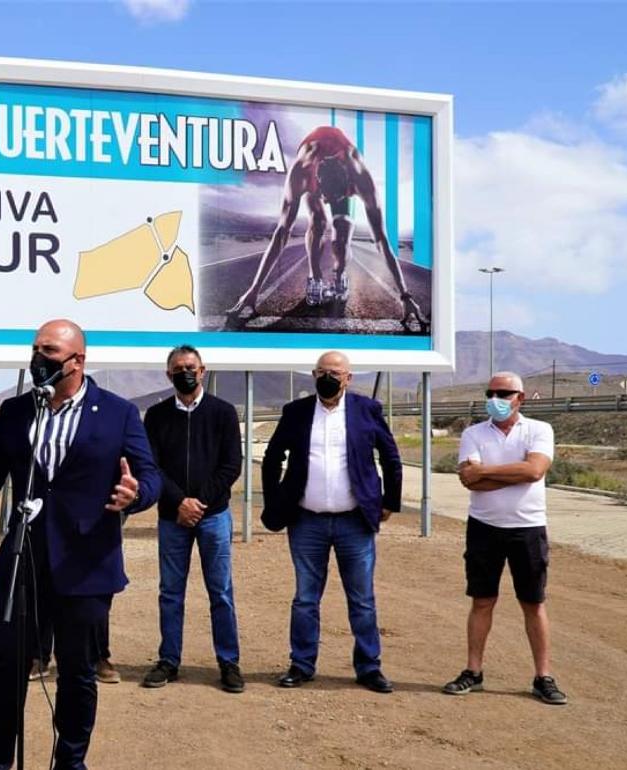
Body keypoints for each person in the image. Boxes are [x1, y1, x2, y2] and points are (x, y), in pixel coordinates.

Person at [0, 319, 161, 770]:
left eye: (47, 349)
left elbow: (150, 475)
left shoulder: (119, 412)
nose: (37, 357)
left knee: (78, 674)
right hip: (23, 558)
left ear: (76, 361)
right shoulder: (17, 411)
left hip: (87, 563)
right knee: (6, 669)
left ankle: (70, 762)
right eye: (34, 348)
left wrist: (136, 493)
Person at [261, 350, 401, 693]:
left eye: (336, 373)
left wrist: (389, 502)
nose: (329, 378)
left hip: (355, 521)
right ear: (313, 374)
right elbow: (272, 458)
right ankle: (301, 664)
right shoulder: (296, 412)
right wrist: (277, 500)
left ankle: (369, 667)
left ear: (348, 378)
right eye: (323, 372)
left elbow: (391, 456)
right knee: (306, 598)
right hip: (307, 522)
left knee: (362, 599)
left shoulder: (367, 410)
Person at [224, 125, 427, 331]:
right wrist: (253, 290)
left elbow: (381, 240)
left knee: (342, 230)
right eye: (326, 197)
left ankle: (339, 274)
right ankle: (316, 278)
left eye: (335, 199)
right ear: (318, 185)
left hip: (339, 173)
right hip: (314, 170)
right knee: (318, 221)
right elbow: (282, 232)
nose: (329, 203)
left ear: (350, 186)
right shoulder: (300, 174)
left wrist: (405, 295)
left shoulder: (362, 180)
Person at [444, 372, 567, 705]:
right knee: (482, 600)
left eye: (504, 392)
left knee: (533, 602)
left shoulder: (540, 430)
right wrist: (513, 473)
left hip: (528, 528)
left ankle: (543, 676)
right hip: (484, 527)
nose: (495, 398)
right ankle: (473, 671)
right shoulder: (473, 433)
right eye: (491, 392)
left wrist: (485, 471)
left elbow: (535, 471)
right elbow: (470, 482)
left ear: (520, 398)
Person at [141, 345, 245, 693]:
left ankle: (228, 662)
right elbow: (151, 466)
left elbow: (231, 465)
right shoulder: (155, 417)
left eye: (191, 366)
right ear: (168, 375)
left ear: (203, 371)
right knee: (171, 593)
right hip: (172, 519)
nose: (185, 372)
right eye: (178, 368)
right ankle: (169, 661)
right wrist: (179, 501)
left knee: (221, 592)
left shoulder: (224, 413)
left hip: (213, 516)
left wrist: (199, 501)